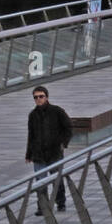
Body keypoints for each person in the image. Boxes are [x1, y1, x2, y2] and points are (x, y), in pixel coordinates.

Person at [25, 85, 72, 216]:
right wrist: (29, 154)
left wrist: (63, 143)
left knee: (57, 179)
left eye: (41, 96)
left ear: (46, 97)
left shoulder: (57, 111)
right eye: (36, 97)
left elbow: (68, 128)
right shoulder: (33, 115)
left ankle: (60, 202)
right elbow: (31, 135)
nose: (38, 99)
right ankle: (42, 207)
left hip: (54, 152)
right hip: (38, 154)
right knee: (40, 182)